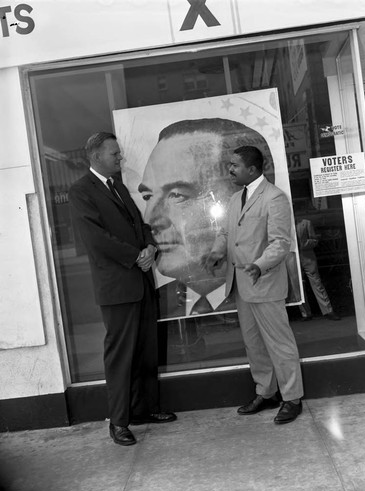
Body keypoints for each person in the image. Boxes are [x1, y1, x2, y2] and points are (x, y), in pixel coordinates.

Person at [68, 132, 176, 447]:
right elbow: (96, 240)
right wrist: (135, 256)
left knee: (146, 350)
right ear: (96, 156)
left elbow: (139, 225)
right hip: (117, 289)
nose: (120, 159)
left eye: (119, 154)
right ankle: (119, 422)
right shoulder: (81, 192)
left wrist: (150, 247)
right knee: (121, 357)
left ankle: (145, 409)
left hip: (140, 281)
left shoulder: (116, 187)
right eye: (115, 154)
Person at [203, 145, 304, 424]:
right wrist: (216, 251)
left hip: (265, 282)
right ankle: (267, 392)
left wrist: (259, 265)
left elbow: (281, 243)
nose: (230, 169)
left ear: (252, 169)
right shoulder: (237, 198)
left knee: (280, 344)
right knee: (254, 344)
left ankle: (293, 398)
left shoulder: (274, 198)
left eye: (234, 165)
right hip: (241, 284)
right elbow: (227, 233)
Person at [138, 118, 275, 319]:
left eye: (177, 195)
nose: (150, 220)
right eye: (148, 197)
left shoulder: (271, 292)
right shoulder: (156, 306)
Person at [295, 217, 340, 321]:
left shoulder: (306, 223)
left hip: (308, 258)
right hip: (292, 259)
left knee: (317, 284)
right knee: (297, 286)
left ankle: (328, 311)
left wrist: (303, 244)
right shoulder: (282, 223)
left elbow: (315, 240)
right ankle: (305, 313)